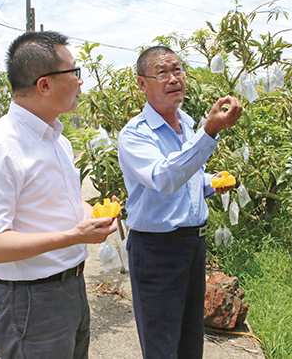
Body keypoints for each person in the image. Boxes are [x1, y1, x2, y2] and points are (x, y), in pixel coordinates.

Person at [0, 31, 118, 359]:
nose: (80, 82)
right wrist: (72, 236)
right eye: (74, 73)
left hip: (70, 290)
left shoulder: (57, 140)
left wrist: (95, 214)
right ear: (44, 85)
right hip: (30, 303)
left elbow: (63, 203)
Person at [118, 45, 243, 359]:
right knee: (162, 345)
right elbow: (164, 179)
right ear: (142, 84)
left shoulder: (187, 125)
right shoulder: (136, 134)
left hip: (193, 247)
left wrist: (212, 183)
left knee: (190, 340)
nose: (173, 78)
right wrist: (210, 131)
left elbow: (187, 182)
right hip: (157, 251)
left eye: (177, 70)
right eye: (162, 72)